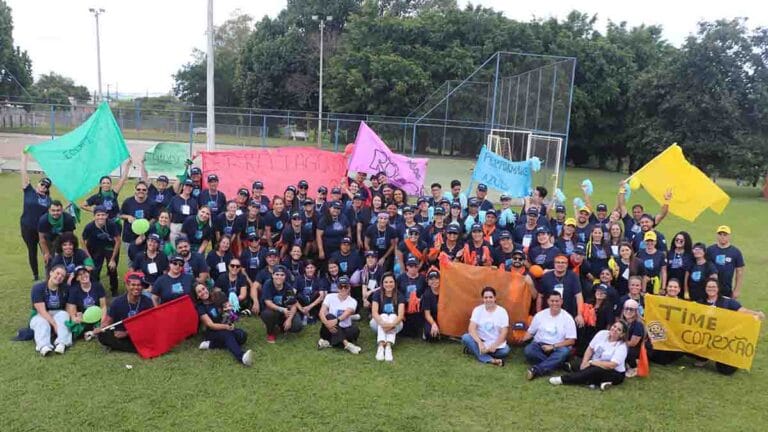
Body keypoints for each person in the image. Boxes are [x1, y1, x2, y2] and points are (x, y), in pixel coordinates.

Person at [695, 277, 764, 375]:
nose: (711, 289)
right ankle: (703, 357)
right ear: (705, 288)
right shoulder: (700, 302)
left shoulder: (727, 301)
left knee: (726, 370)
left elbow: (743, 311)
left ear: (718, 288)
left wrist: (756, 313)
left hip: (723, 340)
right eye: (708, 287)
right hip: (705, 338)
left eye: (714, 287)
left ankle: (727, 358)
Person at [549, 321, 629, 391]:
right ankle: (595, 381)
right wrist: (584, 363)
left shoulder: (622, 347)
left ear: (622, 334)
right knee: (576, 363)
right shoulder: (602, 333)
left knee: (592, 371)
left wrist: (591, 362)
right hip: (595, 363)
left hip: (613, 372)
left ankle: (563, 379)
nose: (615, 329)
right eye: (614, 326)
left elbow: (612, 365)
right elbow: (590, 349)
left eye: (619, 330)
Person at [193, 284, 254, 366]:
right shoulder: (200, 307)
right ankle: (242, 357)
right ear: (197, 296)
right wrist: (226, 327)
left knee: (242, 335)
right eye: (199, 292)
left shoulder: (216, 298)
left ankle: (211, 344)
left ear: (207, 288)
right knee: (227, 335)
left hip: (224, 327)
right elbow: (210, 325)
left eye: (203, 289)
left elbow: (227, 314)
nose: (203, 292)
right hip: (212, 332)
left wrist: (230, 319)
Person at [94, 272, 155, 352]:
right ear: (127, 285)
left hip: (139, 333)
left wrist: (127, 333)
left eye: (139, 285)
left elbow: (150, 325)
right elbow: (108, 321)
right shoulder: (117, 302)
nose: (136, 288)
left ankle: (123, 346)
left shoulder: (148, 302)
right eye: (133, 285)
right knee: (102, 335)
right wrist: (102, 328)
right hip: (120, 332)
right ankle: (136, 347)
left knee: (151, 335)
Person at [522, 291, 577, 380]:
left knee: (564, 352)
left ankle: (536, 370)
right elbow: (530, 332)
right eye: (552, 301)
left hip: (557, 347)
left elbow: (571, 341)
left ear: (561, 301)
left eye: (557, 301)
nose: (554, 303)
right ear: (548, 301)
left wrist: (552, 346)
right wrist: (522, 339)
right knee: (528, 350)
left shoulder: (568, 318)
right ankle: (559, 364)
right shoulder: (540, 315)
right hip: (540, 345)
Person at [20, 152, 52, 281]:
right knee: (32, 251)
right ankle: (36, 275)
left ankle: (49, 274)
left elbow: (53, 212)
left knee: (46, 251)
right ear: (38, 183)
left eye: (46, 186)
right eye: (42, 184)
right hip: (27, 227)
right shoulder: (29, 190)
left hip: (41, 230)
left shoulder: (48, 200)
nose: (43, 187)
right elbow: (23, 172)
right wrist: (25, 157)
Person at [460, 287, 510, 366]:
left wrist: (494, 345)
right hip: (481, 342)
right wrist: (479, 342)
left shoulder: (502, 312)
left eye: (490, 297)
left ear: (495, 298)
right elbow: (471, 328)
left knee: (505, 351)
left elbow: (504, 332)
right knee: (465, 337)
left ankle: (473, 350)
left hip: (494, 343)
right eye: (485, 297)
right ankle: (490, 360)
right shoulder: (478, 310)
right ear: (483, 299)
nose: (488, 300)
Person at [29, 265, 72, 356]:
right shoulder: (38, 288)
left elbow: (68, 307)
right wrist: (55, 325)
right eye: (57, 273)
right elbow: (42, 311)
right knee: (41, 321)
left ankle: (62, 343)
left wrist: (73, 317)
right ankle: (44, 346)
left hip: (57, 312)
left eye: (62, 276)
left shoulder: (65, 288)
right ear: (51, 273)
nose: (59, 276)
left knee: (64, 315)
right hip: (40, 314)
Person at [82, 206, 121, 295]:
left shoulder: (111, 225)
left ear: (107, 215)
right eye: (98, 215)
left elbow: (118, 241)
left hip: (109, 247)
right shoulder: (89, 227)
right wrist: (88, 257)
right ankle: (95, 290)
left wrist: (112, 259)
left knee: (112, 268)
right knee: (94, 270)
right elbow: (82, 241)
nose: (100, 217)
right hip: (95, 248)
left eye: (103, 215)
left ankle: (114, 290)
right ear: (94, 216)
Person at [317, 276, 362, 354]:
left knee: (355, 330)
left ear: (349, 288)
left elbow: (348, 312)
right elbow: (321, 312)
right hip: (329, 329)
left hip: (343, 328)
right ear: (337, 287)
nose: (343, 289)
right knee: (329, 316)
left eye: (346, 286)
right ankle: (346, 344)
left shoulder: (353, 301)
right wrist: (327, 324)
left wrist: (337, 320)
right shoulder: (329, 296)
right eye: (340, 286)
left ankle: (329, 343)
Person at [260, 266, 303, 343]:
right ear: (273, 275)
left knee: (297, 326)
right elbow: (268, 303)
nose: (279, 277)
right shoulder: (268, 284)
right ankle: (270, 333)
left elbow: (293, 305)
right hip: (271, 310)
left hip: (285, 312)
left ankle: (279, 326)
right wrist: (282, 310)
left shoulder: (288, 287)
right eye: (277, 274)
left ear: (285, 276)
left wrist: (289, 319)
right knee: (268, 314)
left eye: (282, 275)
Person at [537, 254, 584, 325]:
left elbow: (579, 296)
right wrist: (539, 314)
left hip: (568, 313)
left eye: (563, 263)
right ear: (554, 264)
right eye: (558, 262)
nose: (560, 264)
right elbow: (540, 296)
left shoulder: (573, 276)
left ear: (567, 265)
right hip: (549, 314)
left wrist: (579, 314)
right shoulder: (546, 277)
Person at [370, 272, 405, 362]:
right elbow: (374, 312)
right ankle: (381, 346)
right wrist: (384, 324)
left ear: (394, 283)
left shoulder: (400, 295)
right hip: (378, 324)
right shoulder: (377, 294)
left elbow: (401, 315)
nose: (388, 284)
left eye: (391, 282)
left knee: (393, 315)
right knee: (384, 315)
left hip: (396, 324)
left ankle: (388, 346)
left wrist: (391, 325)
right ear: (382, 283)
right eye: (386, 282)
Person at [119, 181, 156, 263]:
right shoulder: (128, 202)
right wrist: (128, 217)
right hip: (129, 237)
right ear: (135, 190)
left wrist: (147, 224)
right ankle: (132, 275)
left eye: (144, 189)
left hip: (145, 237)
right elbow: (120, 215)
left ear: (147, 191)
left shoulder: (151, 203)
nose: (141, 191)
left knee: (145, 259)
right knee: (131, 260)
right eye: (138, 189)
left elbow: (154, 217)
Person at [66, 265, 107, 338]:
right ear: (77, 278)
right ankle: (93, 332)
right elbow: (72, 312)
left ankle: (94, 331)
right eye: (79, 275)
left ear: (88, 273)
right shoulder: (74, 290)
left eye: (84, 272)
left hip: (98, 316)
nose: (83, 275)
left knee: (108, 321)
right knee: (75, 327)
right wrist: (76, 318)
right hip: (83, 318)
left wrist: (102, 322)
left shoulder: (98, 286)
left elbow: (103, 307)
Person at [706, 225, 745, 299]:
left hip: (726, 289)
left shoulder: (735, 252)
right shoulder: (710, 250)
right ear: (717, 236)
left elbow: (739, 272)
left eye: (725, 235)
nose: (722, 237)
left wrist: (737, 290)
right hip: (711, 288)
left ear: (729, 236)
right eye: (720, 234)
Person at [37, 200, 76, 270]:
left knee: (63, 258)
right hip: (48, 239)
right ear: (49, 210)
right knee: (49, 260)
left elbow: (70, 238)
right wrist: (46, 253)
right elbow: (42, 239)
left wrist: (66, 250)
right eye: (53, 210)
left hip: (63, 238)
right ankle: (49, 277)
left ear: (62, 210)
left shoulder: (68, 219)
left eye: (58, 210)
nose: (55, 213)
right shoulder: (43, 220)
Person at [168, 178, 199, 244]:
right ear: (183, 186)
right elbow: (169, 214)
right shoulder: (174, 199)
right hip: (176, 227)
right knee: (174, 248)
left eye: (190, 186)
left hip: (188, 228)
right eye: (186, 185)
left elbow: (195, 217)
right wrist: (169, 227)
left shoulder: (194, 201)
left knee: (185, 248)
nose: (188, 188)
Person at [620, 298, 644, 377]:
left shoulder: (638, 325)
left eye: (631, 309)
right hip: (625, 344)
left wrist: (617, 343)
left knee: (628, 350)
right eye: (626, 308)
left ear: (636, 311)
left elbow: (633, 343)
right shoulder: (622, 322)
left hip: (635, 349)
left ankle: (633, 367)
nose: (628, 311)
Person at [667, 231, 693, 297]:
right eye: (677, 240)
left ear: (686, 242)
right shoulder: (669, 253)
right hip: (670, 287)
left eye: (681, 241)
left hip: (683, 286)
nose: (678, 241)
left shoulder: (690, 255)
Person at [421, 268, 441, 342]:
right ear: (428, 282)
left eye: (436, 279)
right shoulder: (427, 294)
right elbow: (427, 314)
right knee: (431, 335)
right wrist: (434, 324)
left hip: (444, 318)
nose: (434, 281)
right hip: (432, 318)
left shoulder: (445, 291)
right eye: (431, 279)